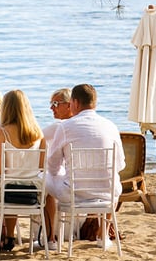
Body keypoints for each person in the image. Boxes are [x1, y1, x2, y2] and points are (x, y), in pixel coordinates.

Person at [45, 84, 125, 248]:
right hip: (106, 194)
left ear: (74, 102)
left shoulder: (65, 127)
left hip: (74, 195)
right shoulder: (110, 126)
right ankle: (103, 236)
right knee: (114, 183)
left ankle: (51, 238)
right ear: (94, 103)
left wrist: (57, 174)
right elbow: (120, 164)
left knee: (43, 178)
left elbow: (52, 165)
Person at [0, 89, 45, 252]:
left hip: (8, 189)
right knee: (12, 185)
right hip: (33, 189)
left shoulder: (1, 132)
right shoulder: (39, 134)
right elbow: (41, 167)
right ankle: (10, 235)